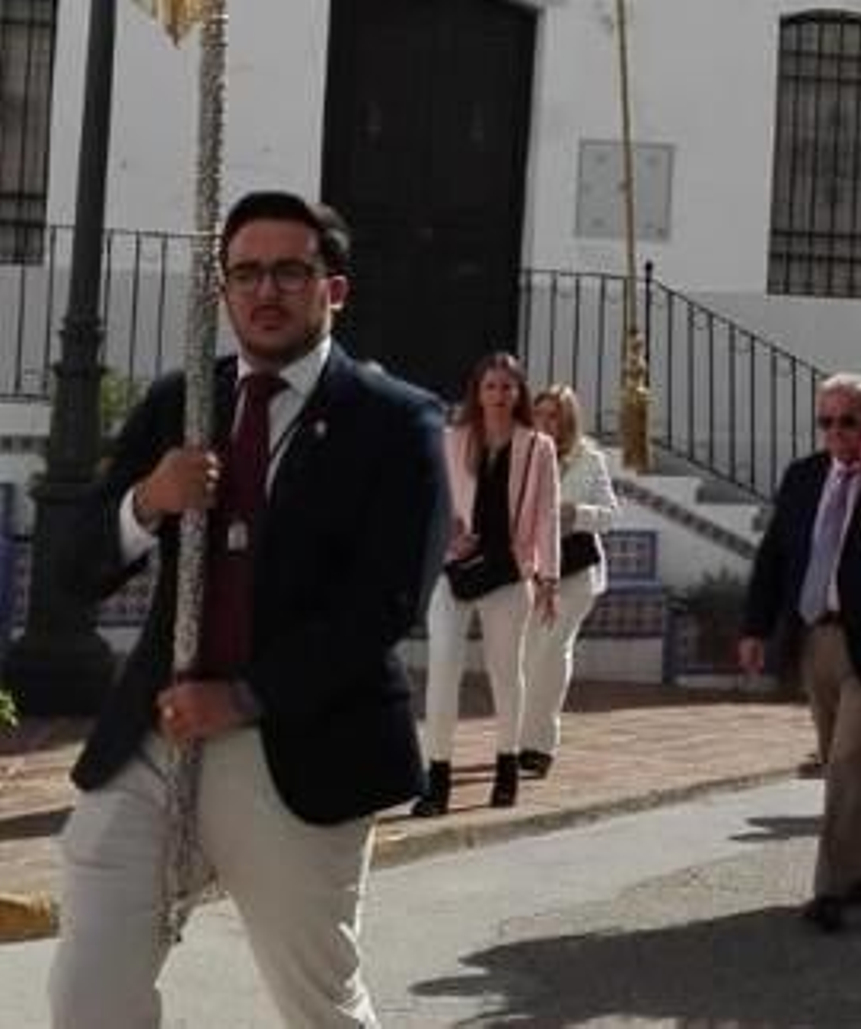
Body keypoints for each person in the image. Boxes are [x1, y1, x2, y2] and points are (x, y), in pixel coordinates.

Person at [49, 191, 450, 1027]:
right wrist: (147, 502)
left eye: (290, 271)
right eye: (246, 273)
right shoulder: (180, 402)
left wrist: (244, 695)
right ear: (223, 289)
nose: (265, 291)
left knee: (321, 1007)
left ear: (332, 289)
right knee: (90, 994)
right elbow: (75, 567)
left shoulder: (395, 421)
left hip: (299, 750)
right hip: (152, 745)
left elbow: (385, 603)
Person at [738, 373, 861, 934]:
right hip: (815, 636)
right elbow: (776, 554)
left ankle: (828, 888)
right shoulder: (804, 476)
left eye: (847, 421)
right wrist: (756, 626)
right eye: (825, 421)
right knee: (839, 762)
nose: (835, 433)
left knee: (850, 760)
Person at [413, 353, 561, 817]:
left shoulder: (537, 447)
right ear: (477, 392)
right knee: (442, 669)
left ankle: (506, 769)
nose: (499, 395)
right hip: (453, 569)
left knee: (505, 674)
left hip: (508, 572)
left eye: (508, 387)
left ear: (519, 393)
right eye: (491, 387)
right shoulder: (449, 440)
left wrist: (549, 578)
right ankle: (436, 777)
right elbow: (430, 501)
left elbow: (548, 515)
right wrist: (447, 533)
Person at [517, 384, 620, 778]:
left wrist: (575, 512)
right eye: (539, 414)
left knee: (552, 651)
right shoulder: (522, 454)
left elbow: (611, 516)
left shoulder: (589, 459)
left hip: (576, 572)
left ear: (568, 419)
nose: (545, 422)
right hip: (533, 570)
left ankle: (541, 745)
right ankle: (518, 740)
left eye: (553, 415)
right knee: (528, 654)